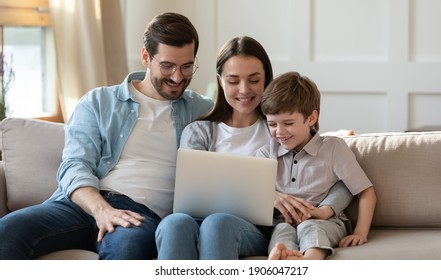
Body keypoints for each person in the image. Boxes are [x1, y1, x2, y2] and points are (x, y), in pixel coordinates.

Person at [0, 12, 214, 260]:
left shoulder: (202, 110)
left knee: (125, 251)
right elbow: (74, 166)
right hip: (81, 204)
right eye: (167, 66)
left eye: (186, 66)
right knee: (7, 230)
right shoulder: (99, 102)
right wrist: (101, 210)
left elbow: (246, 117)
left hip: (140, 216)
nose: (178, 77)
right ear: (146, 57)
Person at [155, 36, 353, 260]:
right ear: (220, 81)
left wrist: (338, 137)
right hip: (198, 218)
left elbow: (319, 158)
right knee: (174, 223)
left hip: (254, 228)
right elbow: (191, 192)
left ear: (266, 79)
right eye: (233, 81)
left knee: (217, 223)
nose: (244, 90)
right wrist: (265, 193)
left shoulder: (279, 130)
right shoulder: (199, 132)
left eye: (254, 80)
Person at [255, 71, 377, 260]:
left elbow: (366, 192)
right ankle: (285, 259)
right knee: (281, 231)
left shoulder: (333, 148)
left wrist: (360, 233)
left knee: (310, 226)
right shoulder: (266, 153)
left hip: (327, 221)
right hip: (284, 222)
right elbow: (254, 195)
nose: (279, 132)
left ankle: (310, 262)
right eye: (272, 124)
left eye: (288, 123)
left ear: (311, 118)